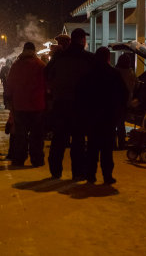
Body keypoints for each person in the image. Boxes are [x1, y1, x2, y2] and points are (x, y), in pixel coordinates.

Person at [46, 28, 94, 180]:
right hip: (80, 105)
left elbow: (47, 73)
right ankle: (78, 172)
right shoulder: (88, 58)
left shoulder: (59, 57)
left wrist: (54, 86)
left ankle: (55, 171)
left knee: (58, 138)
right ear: (82, 40)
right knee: (78, 140)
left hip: (60, 103)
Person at [80, 47, 128, 184]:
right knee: (107, 149)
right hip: (109, 117)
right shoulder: (114, 74)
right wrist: (119, 111)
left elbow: (81, 95)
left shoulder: (88, 74)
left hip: (92, 117)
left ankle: (90, 175)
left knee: (92, 148)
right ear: (108, 58)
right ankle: (107, 175)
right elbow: (123, 94)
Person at [7, 42, 46, 167]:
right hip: (37, 105)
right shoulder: (40, 65)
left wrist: (8, 99)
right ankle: (37, 159)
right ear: (34, 51)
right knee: (37, 135)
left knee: (20, 135)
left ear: (23, 50)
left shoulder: (16, 65)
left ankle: (19, 158)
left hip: (20, 105)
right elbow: (47, 84)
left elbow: (10, 84)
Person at [115, 53, 137, 150]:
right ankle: (122, 143)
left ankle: (112, 143)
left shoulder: (115, 71)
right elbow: (135, 85)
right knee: (121, 123)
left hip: (115, 100)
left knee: (113, 123)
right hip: (126, 101)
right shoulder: (131, 73)